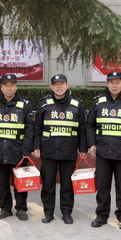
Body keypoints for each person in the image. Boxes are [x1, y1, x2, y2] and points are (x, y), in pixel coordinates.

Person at [86, 71, 121, 230]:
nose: (114, 85)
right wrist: (92, 144)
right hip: (103, 152)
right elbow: (90, 125)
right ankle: (101, 215)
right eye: (111, 82)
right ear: (107, 84)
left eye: (118, 82)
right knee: (102, 186)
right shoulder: (98, 102)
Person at [32, 74, 87, 224]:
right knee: (48, 184)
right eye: (56, 84)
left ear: (67, 86)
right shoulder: (44, 104)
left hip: (69, 150)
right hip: (48, 150)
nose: (59, 87)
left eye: (61, 84)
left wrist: (83, 149)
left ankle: (67, 212)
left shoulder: (76, 104)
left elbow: (82, 129)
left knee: (67, 184)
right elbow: (37, 128)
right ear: (51, 87)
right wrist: (36, 146)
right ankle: (48, 212)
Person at [0, 73, 34, 221]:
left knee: (20, 182)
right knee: (1, 183)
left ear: (16, 87)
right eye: (6, 85)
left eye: (12, 85)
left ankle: (21, 208)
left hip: (18, 151)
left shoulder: (24, 105)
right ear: (1, 87)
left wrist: (26, 151)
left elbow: (30, 130)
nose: (9, 88)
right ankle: (5, 208)